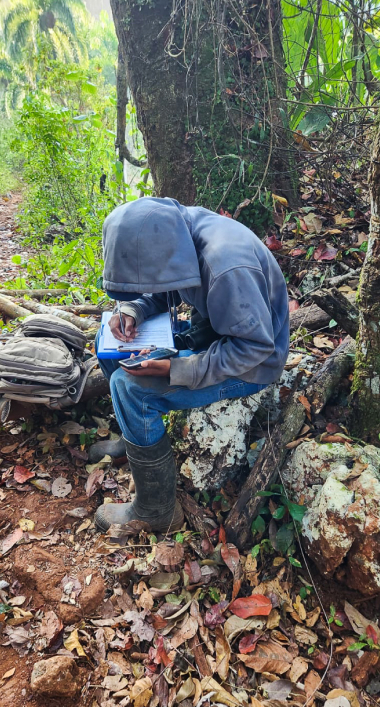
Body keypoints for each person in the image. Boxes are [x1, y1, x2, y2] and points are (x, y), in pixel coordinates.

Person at [91, 196, 290, 533]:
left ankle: (157, 511)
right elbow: (164, 282)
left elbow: (255, 347)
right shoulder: (182, 229)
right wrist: (132, 310)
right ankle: (135, 434)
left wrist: (176, 369)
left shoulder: (227, 266)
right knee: (111, 348)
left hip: (250, 364)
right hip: (215, 336)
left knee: (130, 389)